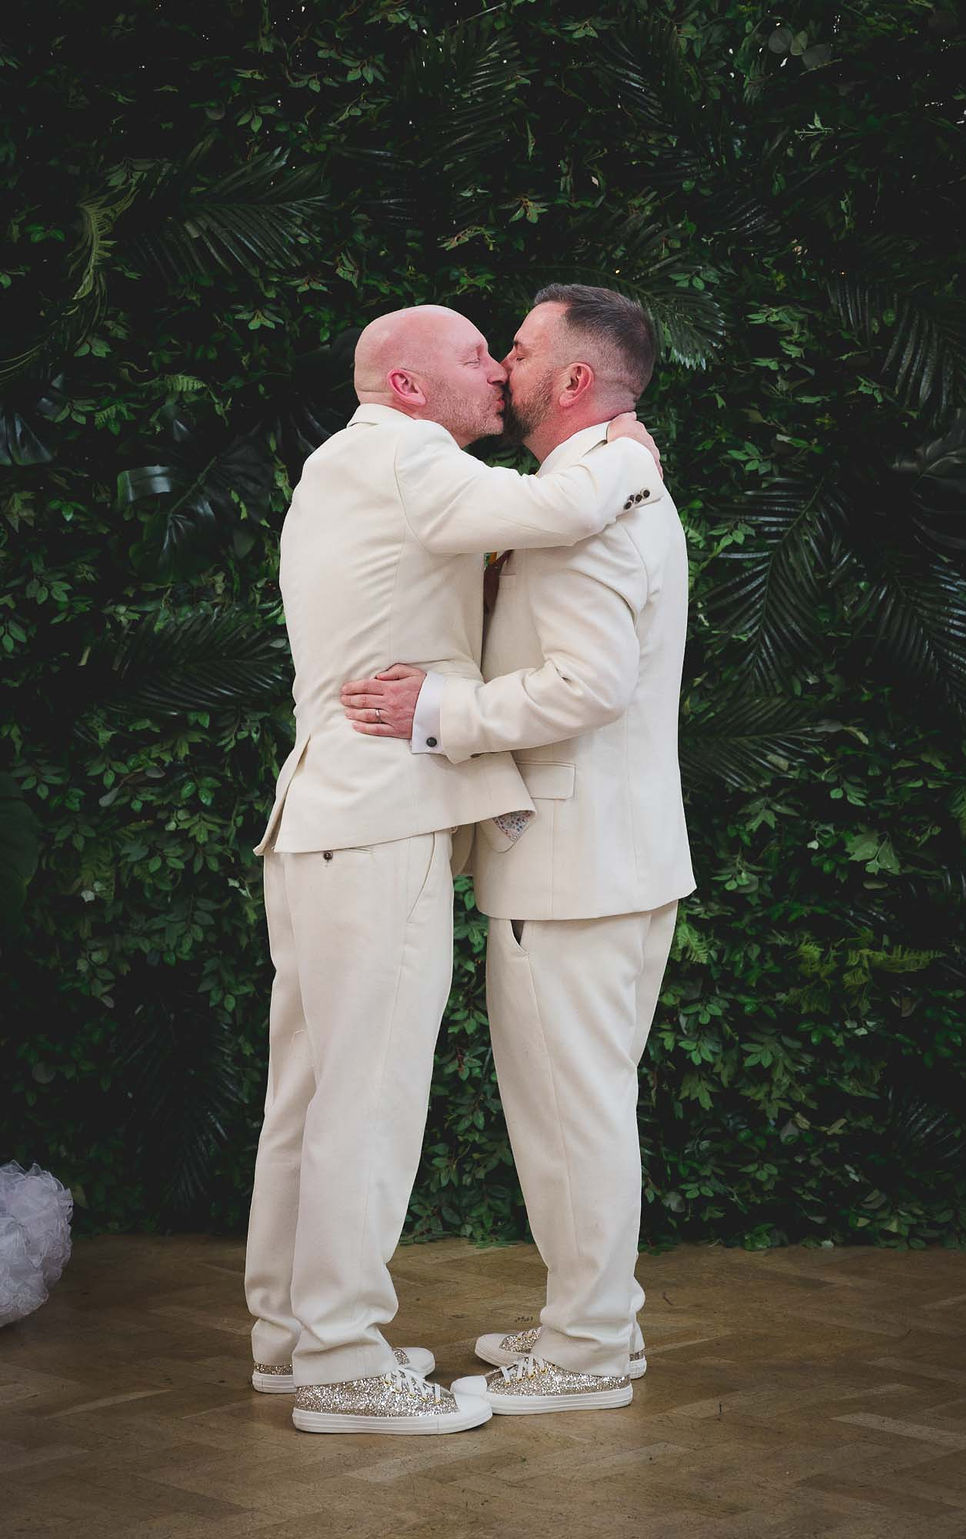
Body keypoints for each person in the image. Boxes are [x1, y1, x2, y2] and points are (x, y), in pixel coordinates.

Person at [245, 301, 663, 1436]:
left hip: (332, 816)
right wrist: (630, 455)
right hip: (378, 819)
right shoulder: (405, 453)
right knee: (366, 1101)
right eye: (476, 355)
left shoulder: (356, 463)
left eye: (506, 350)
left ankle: (292, 1339)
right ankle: (337, 1362)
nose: (494, 370)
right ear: (411, 386)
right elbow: (555, 505)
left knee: (316, 1092)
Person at [340, 285, 694, 1416]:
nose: (501, 364)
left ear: (575, 381)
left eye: (523, 349)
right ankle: (588, 1325)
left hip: (573, 859)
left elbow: (586, 685)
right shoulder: (607, 483)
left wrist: (440, 709)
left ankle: (588, 1355)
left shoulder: (585, 505)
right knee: (584, 1107)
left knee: (571, 1114)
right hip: (614, 856)